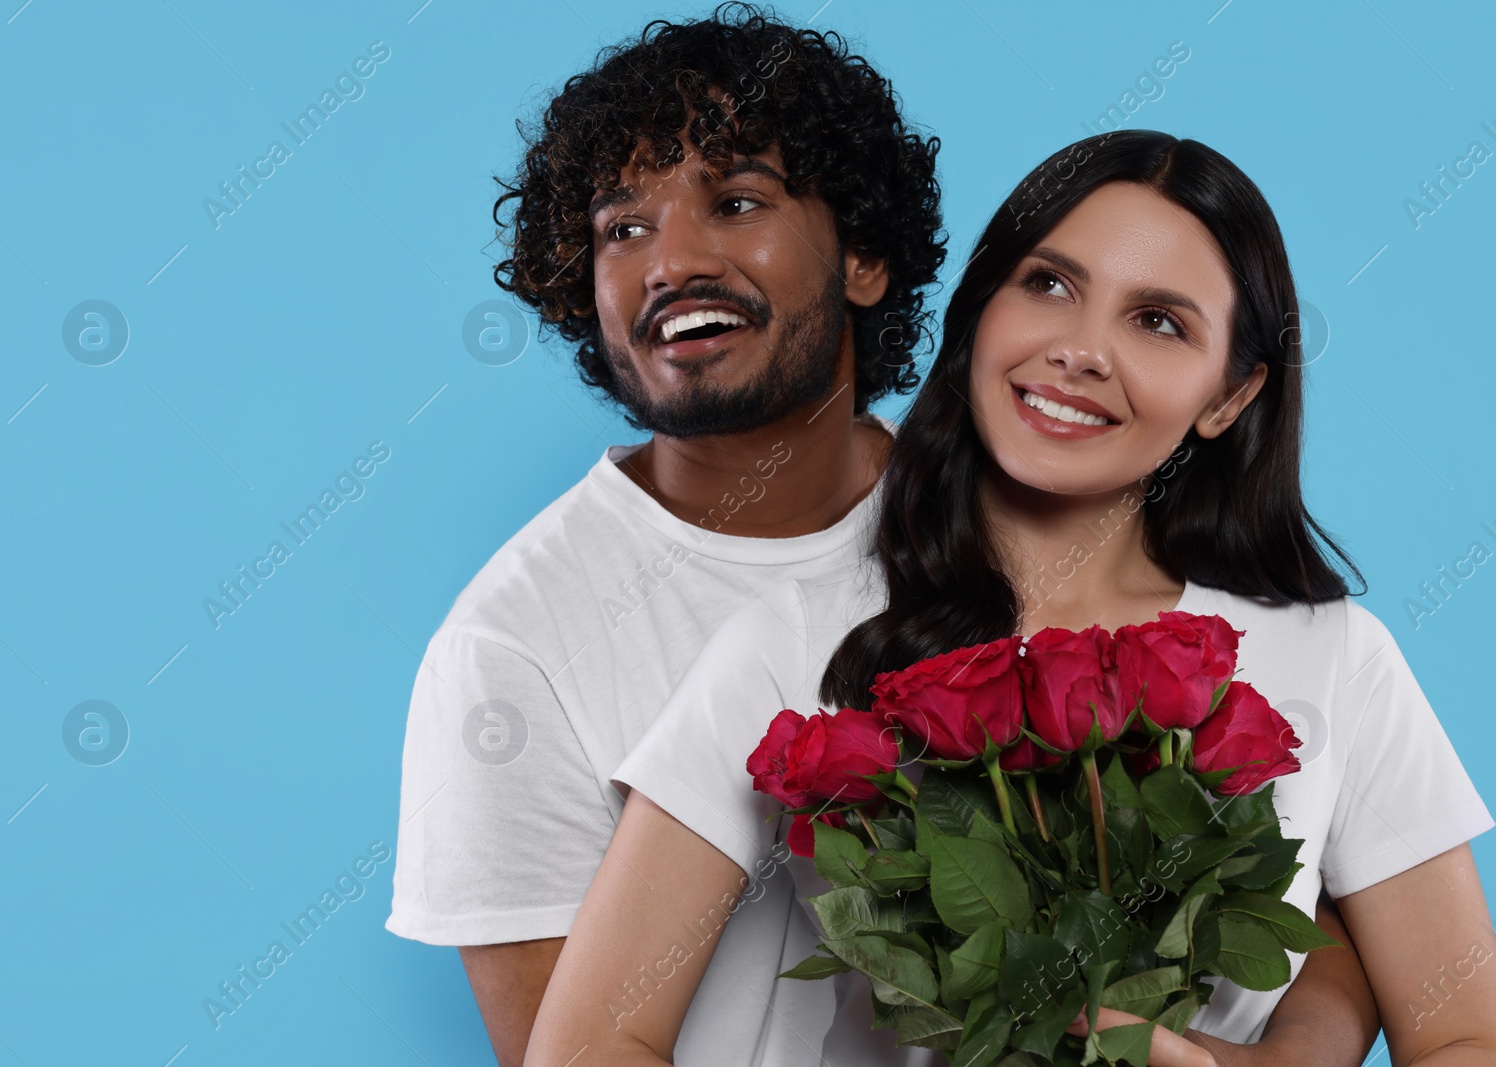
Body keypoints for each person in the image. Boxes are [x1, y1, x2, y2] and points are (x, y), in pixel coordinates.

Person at [528, 131, 1495, 1065]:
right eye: (1049, 284)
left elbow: (1465, 1036)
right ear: (981, 308)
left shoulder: (1334, 657)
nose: (1079, 349)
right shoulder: (794, 638)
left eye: (1158, 321)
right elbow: (587, 1043)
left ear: (1230, 396)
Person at [386, 6, 949, 1065]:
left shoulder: (1015, 520)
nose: (670, 261)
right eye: (621, 228)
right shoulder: (510, 651)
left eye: (736, 201)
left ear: (864, 256)